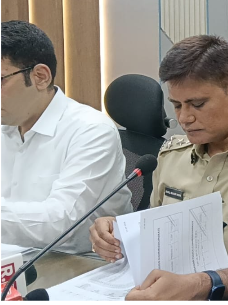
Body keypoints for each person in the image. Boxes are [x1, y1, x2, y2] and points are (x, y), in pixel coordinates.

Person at [89, 35, 228, 300]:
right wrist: (118, 232)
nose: (184, 118)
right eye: (176, 105)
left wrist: (199, 284)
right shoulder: (170, 154)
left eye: (197, 104)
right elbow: (154, 236)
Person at [1, 20, 132, 254]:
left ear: (40, 77)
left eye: (1, 80)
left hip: (76, 264)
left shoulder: (91, 130)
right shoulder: (6, 125)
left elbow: (60, 223)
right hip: (11, 261)